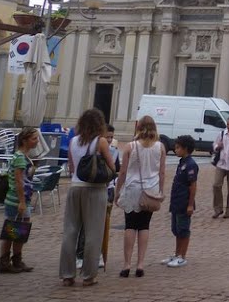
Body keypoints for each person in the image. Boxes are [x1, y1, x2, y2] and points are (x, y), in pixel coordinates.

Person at [60, 108, 117, 287]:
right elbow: (112, 167)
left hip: (75, 187)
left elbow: (71, 167)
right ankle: (88, 275)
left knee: (70, 231)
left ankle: (67, 274)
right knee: (94, 232)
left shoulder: (73, 141)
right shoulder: (100, 142)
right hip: (95, 189)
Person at [113, 115, 166, 278]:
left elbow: (122, 172)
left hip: (133, 188)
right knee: (144, 226)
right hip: (150, 190)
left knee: (130, 225)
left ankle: (127, 264)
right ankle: (140, 264)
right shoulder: (160, 147)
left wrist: (117, 191)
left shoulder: (131, 146)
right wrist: (160, 191)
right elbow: (162, 172)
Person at [76, 124, 120, 271]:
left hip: (108, 189)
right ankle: (81, 254)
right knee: (86, 224)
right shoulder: (93, 147)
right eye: (107, 137)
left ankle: (98, 253)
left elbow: (116, 169)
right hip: (94, 188)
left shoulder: (114, 151)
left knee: (102, 224)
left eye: (111, 137)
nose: (109, 140)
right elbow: (112, 168)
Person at [0, 127, 38, 273]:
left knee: (20, 231)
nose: (37, 141)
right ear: (25, 140)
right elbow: (18, 181)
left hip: (22, 200)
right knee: (12, 231)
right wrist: (21, 201)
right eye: (34, 139)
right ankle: (4, 262)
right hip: (16, 200)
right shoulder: (20, 157)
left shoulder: (23, 156)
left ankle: (16, 259)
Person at [163, 135, 198, 268]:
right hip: (177, 201)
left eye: (178, 148)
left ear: (186, 149)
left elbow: (193, 185)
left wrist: (190, 204)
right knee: (176, 229)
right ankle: (177, 254)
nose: (175, 150)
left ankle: (182, 256)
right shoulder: (182, 162)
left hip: (184, 202)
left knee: (183, 229)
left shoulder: (191, 165)